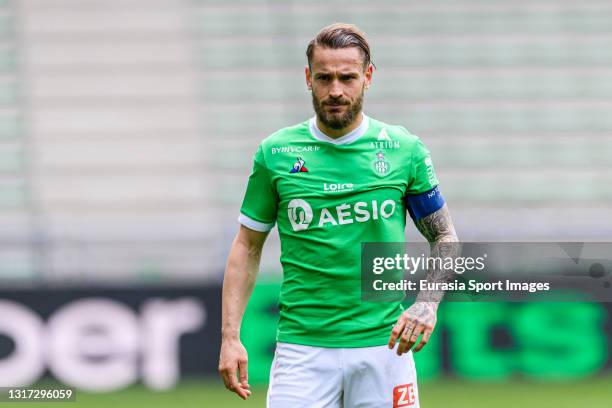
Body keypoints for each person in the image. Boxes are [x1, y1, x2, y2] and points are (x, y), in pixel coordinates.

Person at [219, 22, 458, 407]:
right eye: (324, 78)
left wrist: (427, 304)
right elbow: (247, 246)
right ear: (308, 78)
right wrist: (230, 337)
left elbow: (445, 238)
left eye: (347, 78)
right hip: (302, 349)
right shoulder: (276, 153)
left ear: (367, 77)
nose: (335, 91)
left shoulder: (403, 150)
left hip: (386, 347)